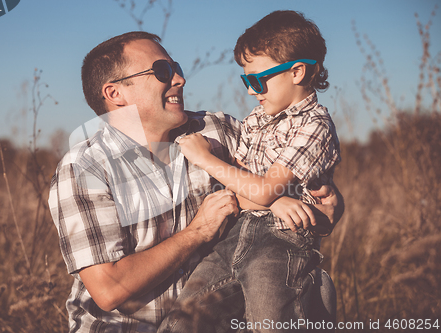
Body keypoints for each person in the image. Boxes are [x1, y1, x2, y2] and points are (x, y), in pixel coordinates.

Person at [48, 30, 343, 333]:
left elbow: (273, 179)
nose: (179, 80)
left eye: (177, 68)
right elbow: (109, 289)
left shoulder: (218, 130)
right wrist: (198, 232)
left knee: (307, 290)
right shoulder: (85, 168)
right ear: (115, 94)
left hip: (216, 322)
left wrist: (322, 204)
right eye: (163, 71)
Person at [160, 10, 340, 332]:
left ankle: (316, 298)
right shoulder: (257, 118)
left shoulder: (315, 125)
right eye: (246, 80)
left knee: (270, 324)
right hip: (235, 234)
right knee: (179, 322)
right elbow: (241, 187)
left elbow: (261, 189)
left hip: (281, 240)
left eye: (257, 79)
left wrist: (206, 159)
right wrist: (269, 196)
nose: (250, 91)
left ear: (296, 72)